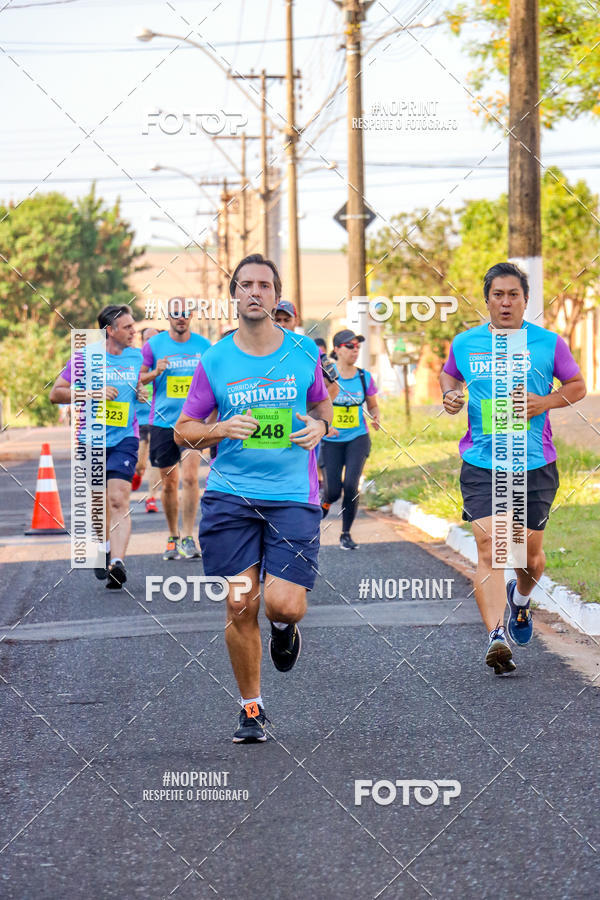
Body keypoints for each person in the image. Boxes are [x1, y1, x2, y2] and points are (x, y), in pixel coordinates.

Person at [175, 253, 332, 744]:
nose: (255, 292)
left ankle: (285, 631)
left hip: (292, 495)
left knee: (283, 606)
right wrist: (218, 428)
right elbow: (183, 430)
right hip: (230, 497)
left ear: (277, 295)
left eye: (264, 285)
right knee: (241, 606)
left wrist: (319, 427)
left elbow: (322, 406)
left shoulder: (303, 352)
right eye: (246, 285)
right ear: (234, 294)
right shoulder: (215, 359)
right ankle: (251, 707)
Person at [440, 261, 586, 675]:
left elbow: (577, 386)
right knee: (491, 547)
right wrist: (451, 397)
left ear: (525, 300)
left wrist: (545, 402)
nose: (505, 302)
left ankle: (521, 600)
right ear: (486, 300)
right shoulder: (466, 343)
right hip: (482, 462)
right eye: (497, 295)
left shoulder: (547, 343)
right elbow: (449, 378)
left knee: (529, 558)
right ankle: (496, 636)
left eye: (513, 295)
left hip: (534, 462)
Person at [50, 305, 143, 589]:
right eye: (127, 327)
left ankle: (117, 562)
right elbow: (56, 393)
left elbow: (136, 390)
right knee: (98, 503)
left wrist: (139, 394)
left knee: (118, 499)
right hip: (90, 439)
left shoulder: (136, 356)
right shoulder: (84, 357)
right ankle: (102, 547)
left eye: (133, 326)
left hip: (125, 437)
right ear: (109, 331)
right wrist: (92, 393)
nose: (133, 331)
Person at [140, 298, 211, 560]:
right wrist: (155, 372)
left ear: (191, 315)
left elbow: (214, 380)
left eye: (185, 313)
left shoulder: (204, 346)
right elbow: (138, 378)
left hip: (193, 421)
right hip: (162, 422)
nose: (180, 318)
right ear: (167, 316)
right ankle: (173, 536)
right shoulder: (153, 345)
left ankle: (189, 537)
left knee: (191, 478)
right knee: (169, 483)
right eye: (175, 313)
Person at [320, 329, 380, 550]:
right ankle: (325, 502)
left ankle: (346, 534)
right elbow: (317, 404)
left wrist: (376, 417)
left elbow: (372, 405)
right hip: (331, 440)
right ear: (336, 349)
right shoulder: (327, 375)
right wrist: (325, 425)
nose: (355, 350)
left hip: (358, 437)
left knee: (352, 485)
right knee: (334, 489)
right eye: (349, 346)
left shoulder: (364, 377)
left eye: (357, 346)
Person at [132, 326, 160, 513]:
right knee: (141, 462)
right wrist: (136, 392)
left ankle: (151, 497)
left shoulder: (163, 362)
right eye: (147, 339)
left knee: (155, 460)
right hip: (138, 418)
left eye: (155, 339)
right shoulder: (134, 361)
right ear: (141, 341)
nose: (151, 343)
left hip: (158, 417)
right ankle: (137, 472)